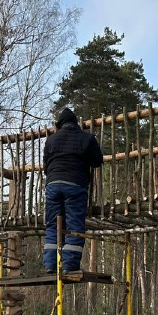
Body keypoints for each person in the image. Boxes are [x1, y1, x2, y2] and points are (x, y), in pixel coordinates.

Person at [43, 108, 104, 274]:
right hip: (75, 184)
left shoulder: (51, 140)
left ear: (60, 124)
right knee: (74, 224)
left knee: (52, 224)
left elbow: (45, 166)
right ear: (76, 123)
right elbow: (97, 160)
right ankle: (69, 265)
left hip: (53, 185)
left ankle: (50, 264)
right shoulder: (86, 138)